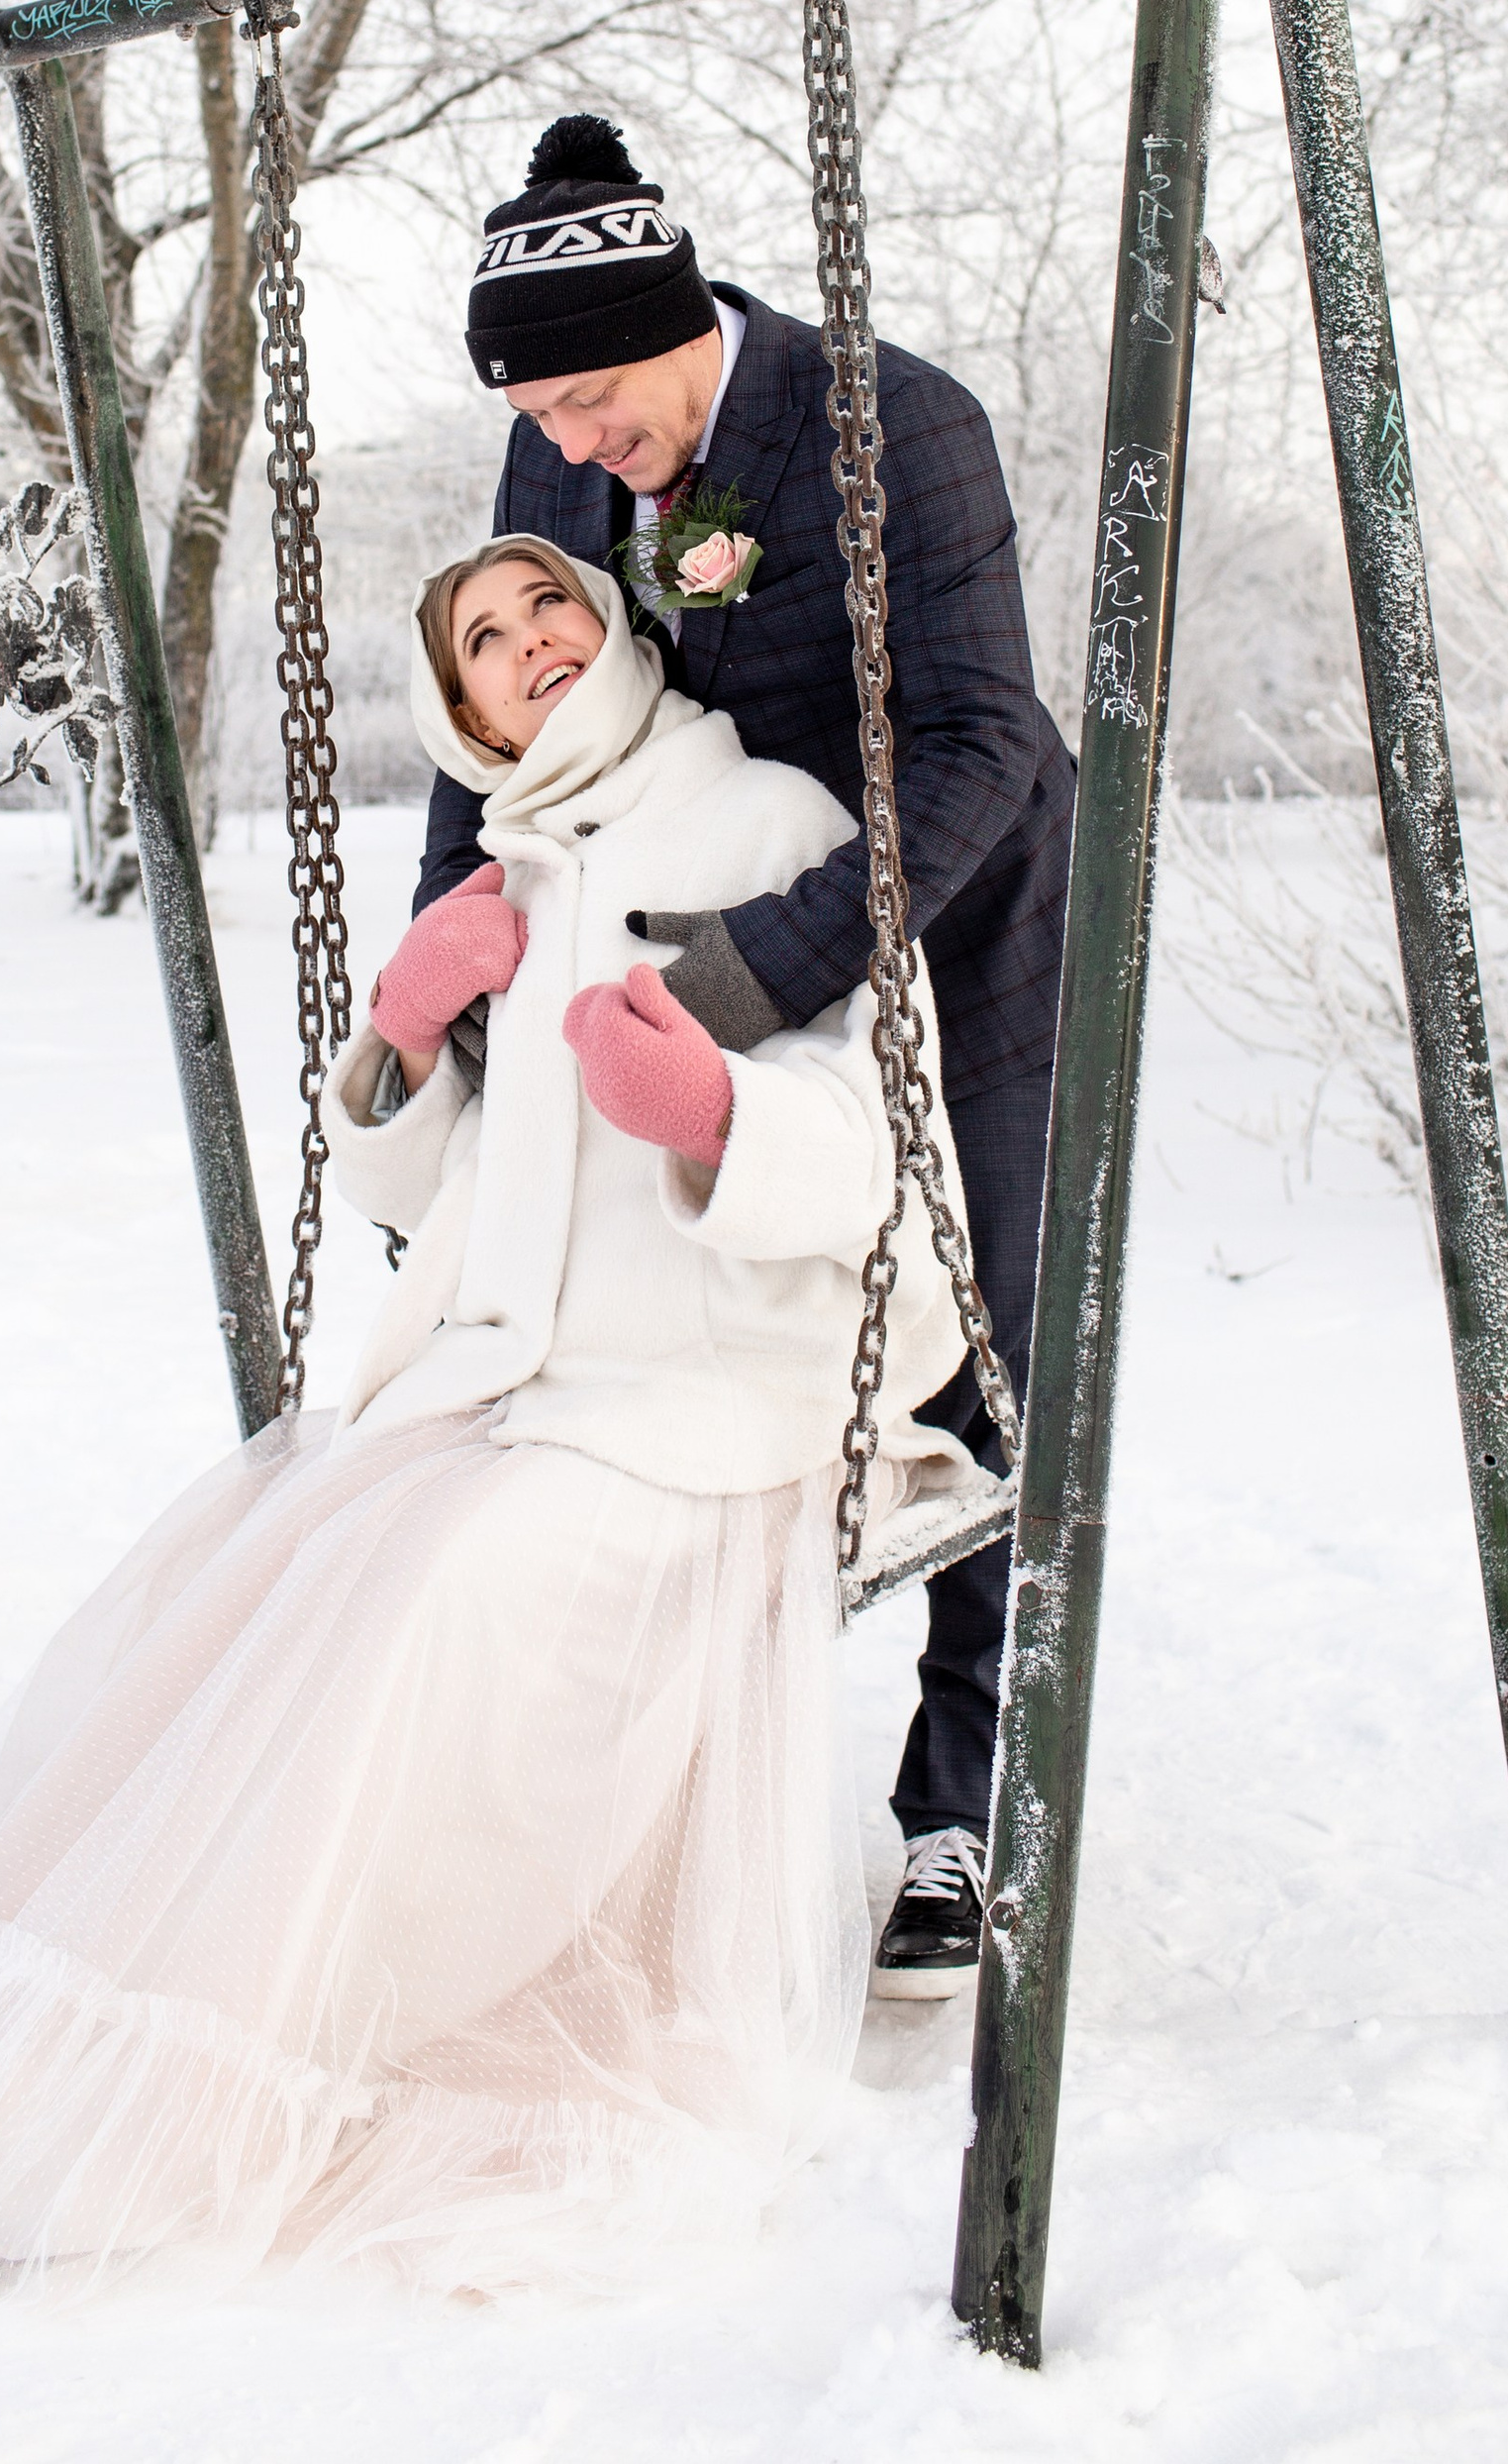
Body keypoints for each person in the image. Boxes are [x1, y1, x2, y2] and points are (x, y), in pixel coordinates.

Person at [0, 540, 981, 2296]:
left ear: (616, 627)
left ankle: (205, 2077)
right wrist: (402, 1037)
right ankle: (101, 2035)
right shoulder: (517, 871)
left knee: (440, 1598)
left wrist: (719, 1113)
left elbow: (888, 1150)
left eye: (552, 606)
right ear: (465, 711)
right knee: (270, 1573)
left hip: (710, 1399)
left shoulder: (778, 827)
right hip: (516, 1383)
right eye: (484, 639)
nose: (531, 642)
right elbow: (445, 1187)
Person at [427, 115, 1073, 1996]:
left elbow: (984, 743)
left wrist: (753, 978)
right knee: (675, 1341)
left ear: (679, 325)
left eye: (591, 401)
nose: (567, 448)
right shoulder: (563, 444)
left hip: (955, 934)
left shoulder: (897, 425)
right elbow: (508, 729)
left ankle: (963, 1804)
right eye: (535, 414)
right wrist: (455, 953)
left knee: (982, 1354)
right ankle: (672, 1780)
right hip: (675, 961)